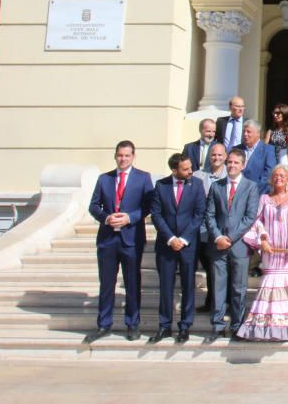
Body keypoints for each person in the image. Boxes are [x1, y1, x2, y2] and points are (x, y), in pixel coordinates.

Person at [236, 165, 288, 341]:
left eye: (282, 175)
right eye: (275, 176)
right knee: (270, 282)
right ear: (271, 179)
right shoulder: (264, 199)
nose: (278, 178)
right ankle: (267, 327)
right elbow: (257, 221)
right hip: (270, 252)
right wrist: (263, 240)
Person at [86, 141, 153, 343]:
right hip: (108, 239)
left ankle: (132, 324)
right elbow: (93, 205)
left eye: (127, 155)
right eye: (120, 155)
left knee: (132, 283)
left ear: (133, 156)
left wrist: (130, 218)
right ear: (115, 156)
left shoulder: (143, 178)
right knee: (106, 284)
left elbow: (148, 206)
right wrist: (106, 217)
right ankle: (104, 324)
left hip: (131, 238)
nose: (123, 159)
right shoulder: (104, 179)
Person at [148, 153, 206, 345]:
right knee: (166, 287)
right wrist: (171, 238)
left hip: (188, 245)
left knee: (188, 286)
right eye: (185, 169)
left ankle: (184, 326)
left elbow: (199, 214)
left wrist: (183, 238)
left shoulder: (196, 185)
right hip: (166, 244)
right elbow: (156, 214)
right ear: (174, 170)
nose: (190, 171)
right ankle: (164, 325)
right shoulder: (161, 185)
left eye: (190, 167)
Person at [204, 148, 259, 342]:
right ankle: (218, 326)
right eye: (229, 162)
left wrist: (231, 237)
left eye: (236, 163)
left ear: (243, 165)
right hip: (218, 245)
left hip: (239, 246)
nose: (232, 166)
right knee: (218, 287)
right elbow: (209, 215)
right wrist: (218, 237)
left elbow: (250, 216)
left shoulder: (251, 187)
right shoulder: (216, 186)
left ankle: (237, 326)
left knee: (238, 288)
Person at [193, 142, 227, 313]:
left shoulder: (231, 174)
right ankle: (211, 301)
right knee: (208, 266)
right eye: (213, 154)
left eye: (220, 155)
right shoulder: (198, 176)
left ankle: (221, 302)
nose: (216, 158)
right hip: (201, 230)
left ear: (225, 157)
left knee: (220, 267)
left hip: (222, 230)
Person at [240, 120, 277, 195]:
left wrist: (251, 191)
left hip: (259, 194)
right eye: (244, 131)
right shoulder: (237, 149)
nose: (245, 134)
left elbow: (268, 174)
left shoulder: (268, 150)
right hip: (238, 195)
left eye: (248, 132)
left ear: (258, 134)